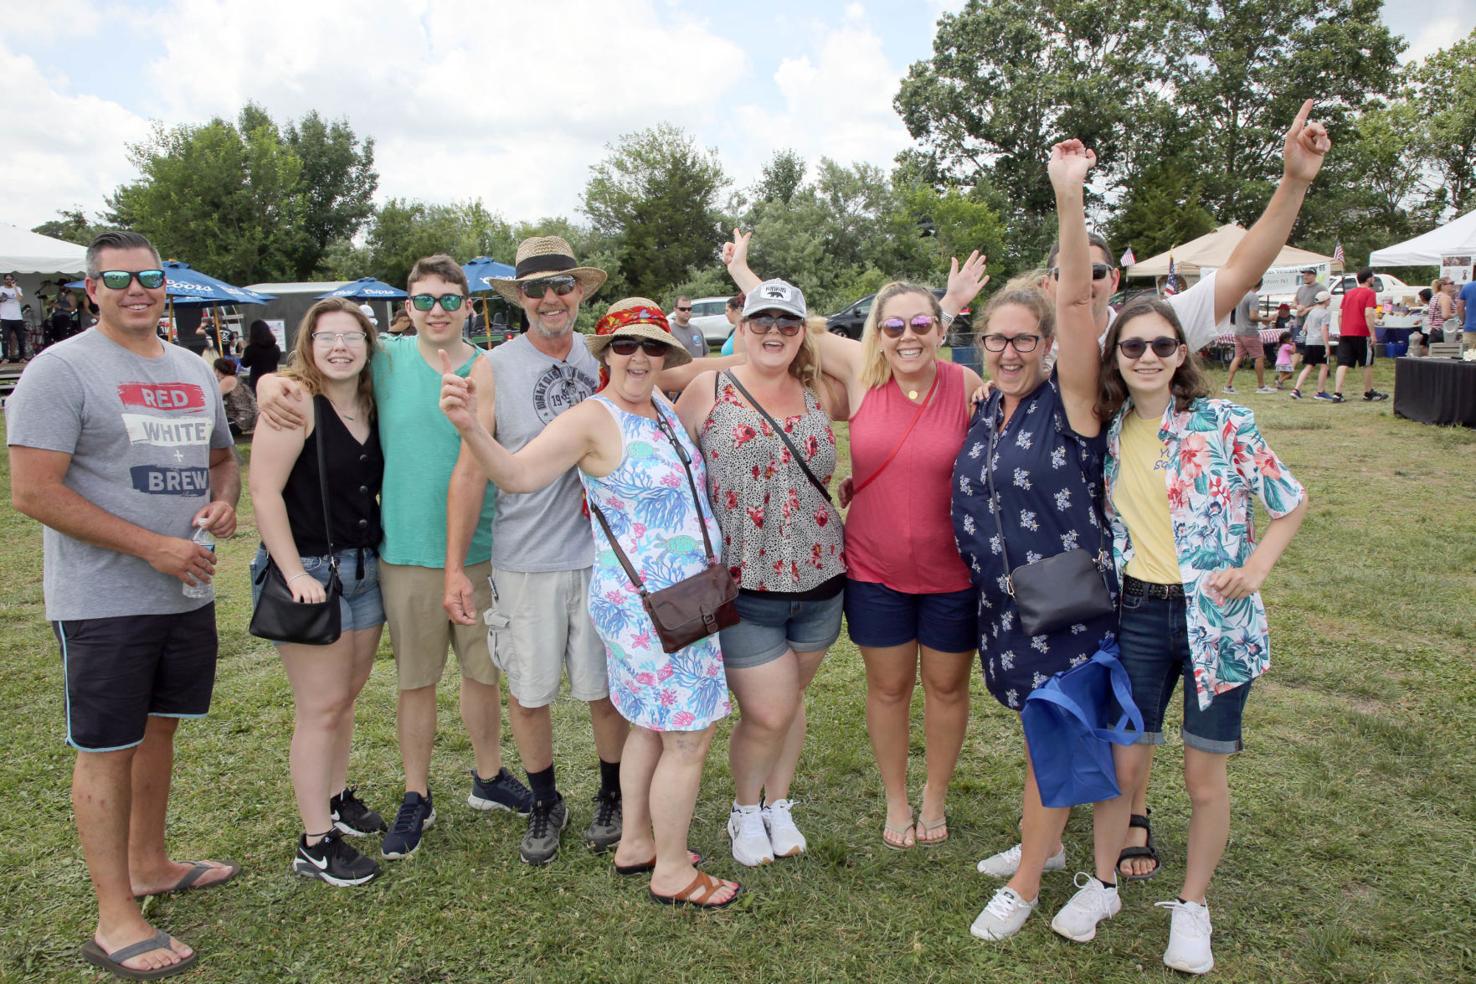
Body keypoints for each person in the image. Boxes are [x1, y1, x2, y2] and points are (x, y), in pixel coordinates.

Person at [1027, 98, 1330, 881]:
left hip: (1196, 594)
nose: (1149, 354)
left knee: (1188, 758)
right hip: (1107, 581)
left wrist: (1294, 182)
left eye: (1101, 270)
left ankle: (1139, 839)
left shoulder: (1160, 333)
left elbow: (1246, 265)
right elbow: (1058, 313)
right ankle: (1078, 836)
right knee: (1116, 729)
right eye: (1075, 271)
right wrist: (1068, 197)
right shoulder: (1070, 354)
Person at [440, 298, 741, 908]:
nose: (639, 357)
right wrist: (471, 427)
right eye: (625, 345)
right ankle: (672, 870)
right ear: (606, 353)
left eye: (652, 346)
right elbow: (517, 475)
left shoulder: (658, 405)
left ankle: (635, 842)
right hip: (650, 608)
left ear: (666, 354)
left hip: (685, 596)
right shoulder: (591, 419)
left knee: (649, 726)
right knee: (689, 737)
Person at [6, 231, 241, 979]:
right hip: (103, 599)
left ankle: (149, 864)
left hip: (184, 590)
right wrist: (150, 547)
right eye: (118, 279)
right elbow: (32, 491)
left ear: (166, 284)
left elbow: (221, 459)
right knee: (107, 747)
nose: (136, 289)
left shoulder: (191, 367)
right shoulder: (60, 369)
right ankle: (114, 919)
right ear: (92, 290)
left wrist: (225, 503)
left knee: (159, 729)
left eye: (149, 276)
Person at [725, 229, 990, 850]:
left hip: (952, 572)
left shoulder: (966, 384)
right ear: (877, 333)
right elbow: (789, 327)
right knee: (889, 689)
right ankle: (896, 801)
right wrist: (742, 273)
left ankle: (934, 798)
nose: (907, 336)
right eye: (893, 327)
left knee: (947, 689)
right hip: (874, 571)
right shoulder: (862, 373)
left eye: (921, 324)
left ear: (941, 328)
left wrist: (948, 306)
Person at [257, 255, 524, 863]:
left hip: (482, 549)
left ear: (468, 305)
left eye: (449, 299)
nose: (437, 310)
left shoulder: (488, 366)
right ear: (408, 307)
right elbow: (315, 368)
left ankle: (488, 775)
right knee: (416, 681)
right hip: (403, 552)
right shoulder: (385, 359)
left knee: (483, 675)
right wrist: (271, 383)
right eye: (424, 299)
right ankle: (415, 793)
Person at [954, 142, 1133, 942]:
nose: (1009, 351)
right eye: (997, 339)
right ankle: (1048, 845)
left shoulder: (1072, 400)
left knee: (1053, 734)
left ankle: (1026, 884)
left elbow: (1077, 306)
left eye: (1025, 339)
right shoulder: (984, 409)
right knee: (1038, 734)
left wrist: (1068, 196)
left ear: (1048, 343)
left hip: (1067, 609)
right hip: (1005, 609)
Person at [1098, 297, 1306, 974]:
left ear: (1181, 354)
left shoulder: (1224, 422)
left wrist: (1256, 568)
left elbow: (1288, 500)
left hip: (1216, 620)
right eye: (1133, 346)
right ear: (1116, 357)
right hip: (1137, 613)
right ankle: (1103, 878)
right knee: (1124, 765)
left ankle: (1191, 906)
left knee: (1203, 775)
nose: (1148, 357)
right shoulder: (1109, 429)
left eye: (1162, 345)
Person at [675, 280, 846, 867]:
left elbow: (888, 368)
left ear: (803, 332)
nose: (774, 332)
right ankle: (746, 810)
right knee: (768, 710)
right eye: (762, 320)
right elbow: (671, 470)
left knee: (790, 702)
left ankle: (779, 803)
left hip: (822, 579)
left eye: (788, 322)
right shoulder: (709, 389)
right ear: (741, 327)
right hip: (742, 584)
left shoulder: (821, 389)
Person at [247, 299, 387, 887]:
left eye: (351, 336)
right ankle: (314, 842)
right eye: (326, 337)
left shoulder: (373, 402)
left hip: (364, 569)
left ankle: (335, 796)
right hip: (308, 570)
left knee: (344, 698)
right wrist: (294, 573)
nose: (339, 347)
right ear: (308, 344)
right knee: (319, 707)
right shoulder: (294, 401)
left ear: (368, 345)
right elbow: (263, 491)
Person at [1333, 267, 1387, 402]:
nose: (1374, 279)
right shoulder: (1370, 293)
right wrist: (1373, 334)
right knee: (1367, 363)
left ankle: (1337, 393)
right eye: (1373, 277)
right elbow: (1368, 313)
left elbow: (1340, 315)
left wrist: (1342, 330)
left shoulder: (1348, 294)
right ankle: (1368, 392)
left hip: (1346, 332)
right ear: (1368, 279)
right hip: (1362, 332)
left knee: (1343, 363)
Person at [1223, 280, 1272, 394]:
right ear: (1260, 285)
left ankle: (1228, 385)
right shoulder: (1253, 297)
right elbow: (1253, 316)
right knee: (1259, 357)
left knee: (1238, 357)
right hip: (1250, 332)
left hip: (1238, 331)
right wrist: (1266, 319)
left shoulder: (1241, 295)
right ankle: (1261, 386)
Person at [1292, 290, 1332, 399]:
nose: (1330, 301)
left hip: (1309, 342)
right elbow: (1324, 329)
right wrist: (1327, 346)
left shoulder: (1312, 312)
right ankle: (1320, 391)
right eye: (1329, 299)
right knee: (1324, 366)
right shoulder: (1325, 313)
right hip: (1320, 342)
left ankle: (1296, 389)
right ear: (1325, 300)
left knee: (1309, 366)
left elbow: (1305, 328)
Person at [212, 358, 258, 437]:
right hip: (248, 417)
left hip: (240, 420)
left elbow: (214, 398)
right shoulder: (235, 378)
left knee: (213, 429)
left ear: (218, 370)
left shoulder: (228, 380)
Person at [238, 319, 281, 394]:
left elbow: (244, 363)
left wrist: (243, 349)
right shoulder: (276, 348)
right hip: (273, 380)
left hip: (257, 383)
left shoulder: (251, 349)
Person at [1, 271, 27, 363]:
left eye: (10, 279)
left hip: (17, 317)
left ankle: (22, 357)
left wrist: (14, 287)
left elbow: (19, 299)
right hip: (5, 317)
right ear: (4, 280)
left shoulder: (18, 288)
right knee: (5, 338)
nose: (9, 281)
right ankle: (5, 358)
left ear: (13, 280)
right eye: (7, 279)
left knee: (21, 338)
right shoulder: (1, 289)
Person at [1458, 265, 1476, 355]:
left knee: (1469, 358)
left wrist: (1464, 321)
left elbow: (1459, 307)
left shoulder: (1467, 287)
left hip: (1470, 328)